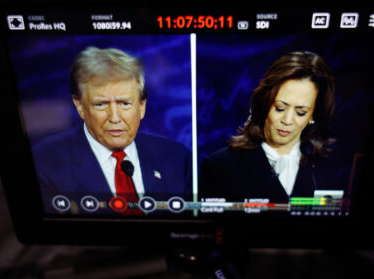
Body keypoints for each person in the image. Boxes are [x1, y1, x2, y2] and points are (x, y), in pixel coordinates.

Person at [33, 46, 192, 214]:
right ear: (79, 106)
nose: (115, 118)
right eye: (101, 105)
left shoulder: (177, 158)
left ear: (142, 106)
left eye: (125, 104)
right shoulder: (45, 163)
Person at [199, 51, 343, 203]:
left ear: (313, 115)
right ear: (264, 104)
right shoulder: (221, 166)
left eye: (301, 112)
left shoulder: (332, 164)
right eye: (280, 108)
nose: (288, 120)